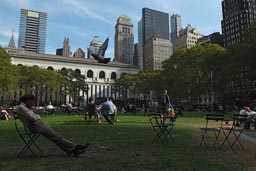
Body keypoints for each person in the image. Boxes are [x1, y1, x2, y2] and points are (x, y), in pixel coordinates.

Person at [15, 94, 89, 157]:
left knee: (55, 136)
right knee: (55, 136)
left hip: (37, 124)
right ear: (27, 101)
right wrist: (36, 115)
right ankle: (75, 148)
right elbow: (34, 118)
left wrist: (35, 114)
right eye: (32, 101)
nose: (33, 103)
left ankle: (73, 149)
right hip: (35, 126)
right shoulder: (22, 108)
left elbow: (34, 116)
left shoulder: (25, 107)